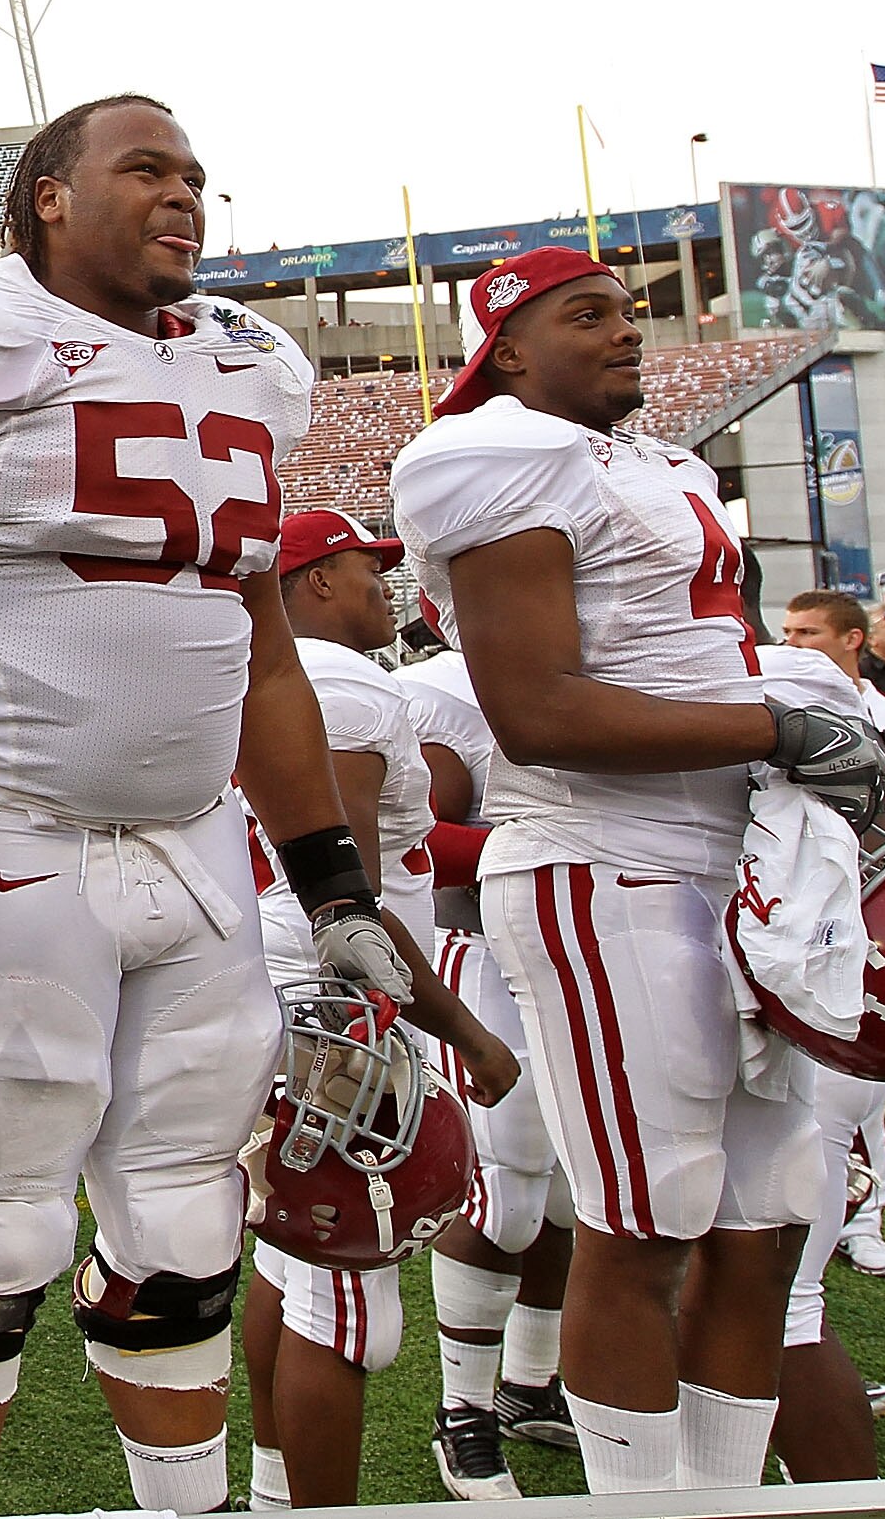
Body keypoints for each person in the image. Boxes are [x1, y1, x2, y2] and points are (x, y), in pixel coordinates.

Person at [0, 96, 442, 1518]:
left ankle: (187, 1501)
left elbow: (259, 648)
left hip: (199, 849)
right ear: (45, 196)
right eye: (146, 168)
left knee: (185, 1214)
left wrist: (332, 885)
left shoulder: (239, 366)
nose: (184, 195)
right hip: (3, 838)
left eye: (198, 176)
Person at [388, 245, 885, 1493]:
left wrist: (789, 719)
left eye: (632, 310)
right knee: (644, 1218)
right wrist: (776, 724)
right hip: (602, 864)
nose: (628, 331)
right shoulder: (491, 452)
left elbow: (691, 655)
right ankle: (643, 1501)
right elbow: (540, 709)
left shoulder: (659, 463)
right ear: (504, 345)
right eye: (587, 313)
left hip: (730, 862)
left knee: (766, 1223)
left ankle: (716, 1492)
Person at [241, 511, 520, 1509]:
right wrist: (466, 1028)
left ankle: (274, 1486)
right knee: (347, 1287)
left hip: (262, 977)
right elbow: (343, 900)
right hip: (333, 994)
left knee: (289, 1254)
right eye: (368, 568)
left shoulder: (254, 672)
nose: (385, 587)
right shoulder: (346, 683)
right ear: (313, 581)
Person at [770, 587, 885, 1477]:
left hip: (857, 949)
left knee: (833, 1136)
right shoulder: (754, 700)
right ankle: (785, 1360)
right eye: (788, 630)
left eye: (810, 632)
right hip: (781, 954)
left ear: (850, 641)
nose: (792, 641)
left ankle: (800, 1339)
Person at [394, 636, 581, 1486]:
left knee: (575, 1197)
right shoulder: (441, 696)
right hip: (485, 948)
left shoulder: (602, 661)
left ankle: (530, 1385)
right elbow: (418, 839)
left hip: (583, 949)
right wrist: (554, 843)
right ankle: (460, 1410)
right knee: (505, 1192)